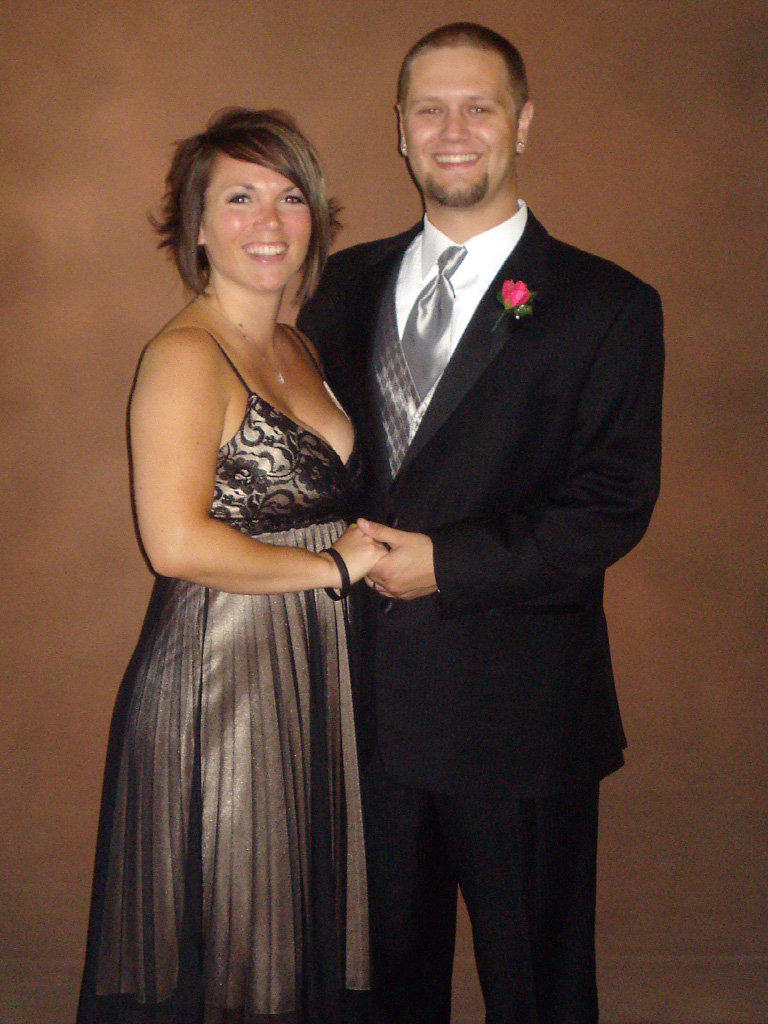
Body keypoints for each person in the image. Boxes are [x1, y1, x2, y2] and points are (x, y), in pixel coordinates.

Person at [298, 22, 665, 1024]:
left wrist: (449, 564)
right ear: (401, 130)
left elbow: (612, 502)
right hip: (364, 715)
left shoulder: (606, 305)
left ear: (523, 123)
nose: (452, 130)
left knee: (539, 994)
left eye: (479, 107)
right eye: (430, 109)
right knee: (379, 995)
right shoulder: (338, 287)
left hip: (522, 720)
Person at [77, 107, 385, 1024]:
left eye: (290, 197)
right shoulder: (183, 355)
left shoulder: (297, 343)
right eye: (240, 198)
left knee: (295, 936)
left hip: (312, 670)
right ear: (198, 226)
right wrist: (333, 570)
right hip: (227, 685)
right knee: (240, 947)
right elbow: (174, 543)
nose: (270, 222)